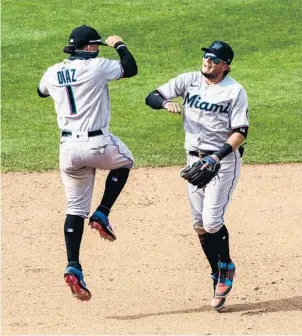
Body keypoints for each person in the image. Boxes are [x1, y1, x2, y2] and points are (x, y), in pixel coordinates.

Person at [146, 41, 249, 310]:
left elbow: (241, 132)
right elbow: (152, 96)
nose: (208, 61)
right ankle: (216, 273)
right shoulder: (189, 80)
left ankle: (226, 266)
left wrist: (215, 157)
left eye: (214, 59)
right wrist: (165, 102)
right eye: (206, 56)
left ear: (225, 65)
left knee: (212, 220)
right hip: (193, 160)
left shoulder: (234, 91)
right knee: (199, 224)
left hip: (222, 161)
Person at [37, 25, 138, 301]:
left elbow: (40, 91)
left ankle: (74, 265)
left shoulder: (52, 71)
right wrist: (119, 45)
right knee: (125, 161)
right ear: (91, 47)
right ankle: (103, 212)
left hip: (68, 149)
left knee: (74, 209)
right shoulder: (98, 67)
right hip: (97, 144)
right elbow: (130, 68)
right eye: (96, 46)